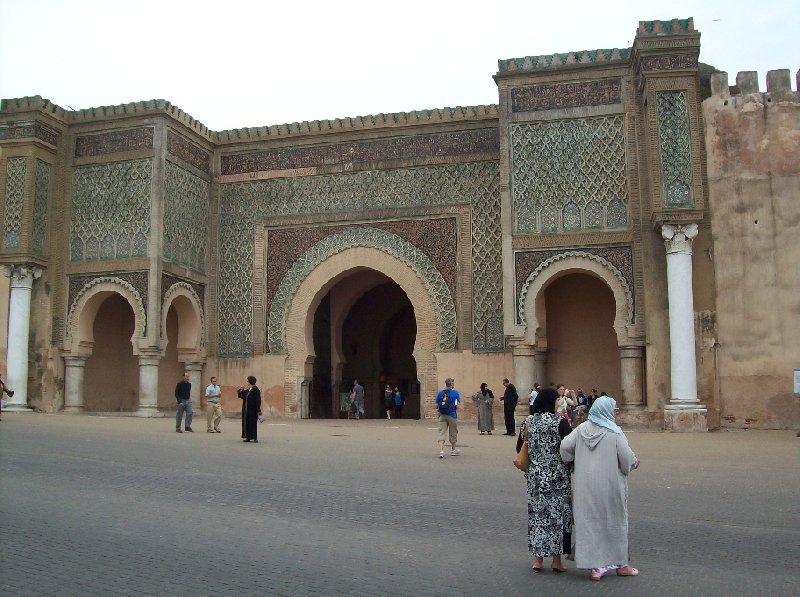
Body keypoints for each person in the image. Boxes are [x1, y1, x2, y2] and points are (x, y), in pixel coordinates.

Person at [559, 395, 640, 581]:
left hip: (585, 487)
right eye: (614, 409)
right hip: (610, 487)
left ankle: (596, 567)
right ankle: (621, 565)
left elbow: (564, 448)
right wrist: (635, 462)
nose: (615, 412)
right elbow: (627, 459)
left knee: (590, 523)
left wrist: (572, 461)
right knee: (614, 522)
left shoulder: (581, 429)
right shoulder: (615, 432)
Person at [516, 388, 573, 573]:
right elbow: (570, 447)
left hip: (535, 479)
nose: (559, 401)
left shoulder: (528, 422)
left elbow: (520, 446)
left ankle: (538, 560)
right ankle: (557, 561)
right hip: (558, 480)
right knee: (557, 518)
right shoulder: (560, 422)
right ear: (551, 402)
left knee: (538, 518)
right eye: (557, 399)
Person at [436, 378, 460, 458]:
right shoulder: (455, 393)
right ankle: (453, 450)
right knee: (453, 432)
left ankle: (441, 451)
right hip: (452, 415)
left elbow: (436, 406)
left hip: (442, 415)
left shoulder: (440, 393)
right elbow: (457, 405)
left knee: (441, 433)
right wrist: (454, 407)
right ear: (452, 384)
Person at [237, 376, 262, 443]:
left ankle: (254, 438)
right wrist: (241, 389)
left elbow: (258, 400)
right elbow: (241, 396)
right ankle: (248, 437)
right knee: (246, 423)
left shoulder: (256, 390)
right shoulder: (248, 390)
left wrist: (258, 410)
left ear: (250, 381)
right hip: (246, 410)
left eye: (247, 381)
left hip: (253, 410)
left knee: (253, 423)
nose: (247, 382)